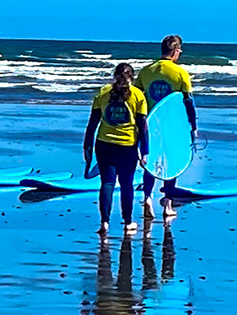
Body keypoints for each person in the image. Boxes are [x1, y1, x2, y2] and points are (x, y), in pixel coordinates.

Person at [135, 34, 198, 218]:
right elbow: (188, 102)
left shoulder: (146, 71)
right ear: (175, 51)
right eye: (179, 50)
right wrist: (193, 125)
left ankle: (147, 197)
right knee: (171, 162)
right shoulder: (180, 73)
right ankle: (167, 206)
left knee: (150, 160)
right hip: (173, 125)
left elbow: (137, 97)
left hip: (149, 124)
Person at [84, 62, 150, 235]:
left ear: (114, 75)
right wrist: (145, 152)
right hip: (127, 146)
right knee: (126, 183)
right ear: (132, 77)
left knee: (107, 183)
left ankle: (104, 222)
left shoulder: (103, 92)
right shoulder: (138, 95)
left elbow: (92, 123)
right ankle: (128, 222)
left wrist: (87, 146)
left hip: (104, 144)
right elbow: (143, 126)